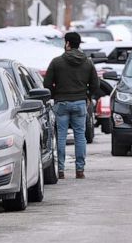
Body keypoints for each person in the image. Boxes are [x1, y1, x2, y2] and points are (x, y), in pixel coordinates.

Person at [43, 31, 101, 179]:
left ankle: (60, 170)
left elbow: (47, 84)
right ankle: (80, 170)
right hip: (80, 102)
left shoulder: (57, 62)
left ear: (67, 43)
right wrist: (87, 95)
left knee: (61, 137)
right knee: (80, 136)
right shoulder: (87, 62)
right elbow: (96, 84)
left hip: (61, 103)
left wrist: (56, 94)